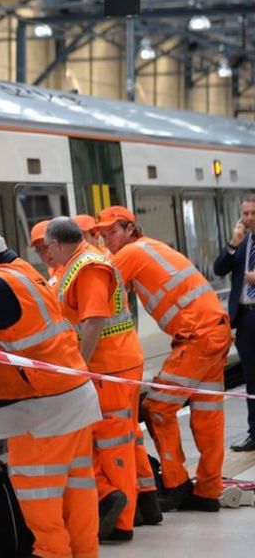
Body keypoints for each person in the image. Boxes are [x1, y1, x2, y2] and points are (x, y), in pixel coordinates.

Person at [0, 226, 101, 558]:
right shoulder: (24, 273)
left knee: (40, 500)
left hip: (42, 411)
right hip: (73, 394)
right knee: (78, 492)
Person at [97, 205, 233, 512]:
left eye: (111, 233)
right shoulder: (151, 247)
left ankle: (176, 485)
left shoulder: (131, 253)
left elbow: (98, 279)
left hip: (196, 338)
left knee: (157, 407)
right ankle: (208, 491)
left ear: (130, 228)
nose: (108, 241)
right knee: (208, 415)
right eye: (103, 236)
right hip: (216, 331)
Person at [44, 217, 161, 542]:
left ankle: (121, 523)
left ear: (55, 244)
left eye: (46, 248)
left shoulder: (88, 267)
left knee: (112, 443)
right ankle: (144, 503)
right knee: (118, 438)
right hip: (111, 365)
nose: (46, 255)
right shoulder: (81, 263)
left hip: (110, 366)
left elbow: (94, 320)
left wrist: (79, 365)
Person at [214, 195, 255, 452]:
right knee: (252, 377)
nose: (249, 218)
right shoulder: (242, 241)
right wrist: (232, 244)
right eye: (246, 214)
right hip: (246, 317)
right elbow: (219, 269)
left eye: (253, 213)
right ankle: (254, 432)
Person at [30, 219, 59, 286]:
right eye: (40, 249)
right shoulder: (52, 272)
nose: (45, 253)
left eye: (46, 246)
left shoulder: (70, 267)